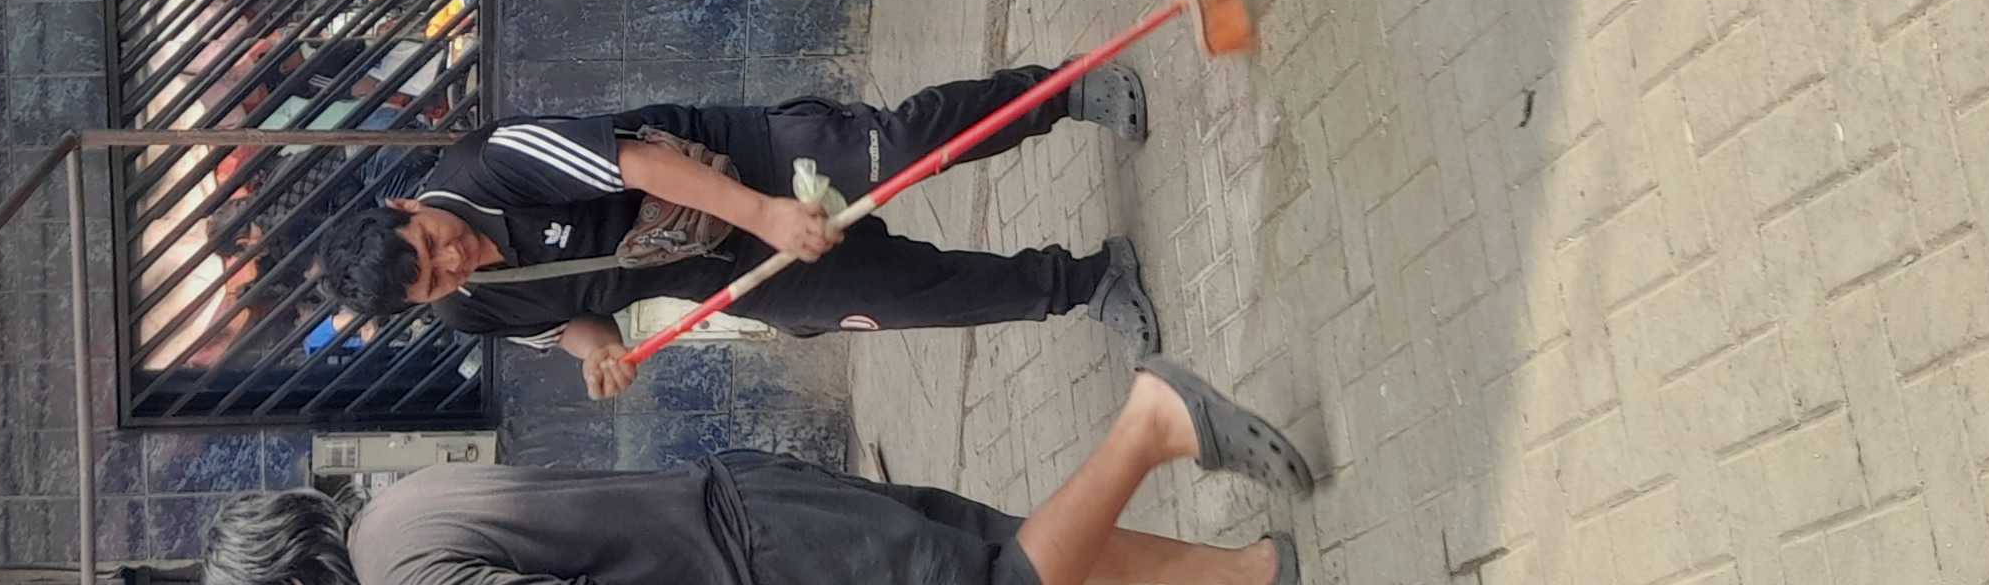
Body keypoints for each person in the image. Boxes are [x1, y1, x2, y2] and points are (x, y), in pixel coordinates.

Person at [310, 65, 1161, 397]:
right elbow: (569, 322)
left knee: (902, 147)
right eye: (434, 279)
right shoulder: (470, 309)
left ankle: (1062, 92)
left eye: (431, 244)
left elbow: (640, 163)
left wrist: (769, 211)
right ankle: (1088, 283)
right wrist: (599, 355)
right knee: (899, 300)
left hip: (739, 162)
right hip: (714, 264)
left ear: (407, 209)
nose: (452, 259)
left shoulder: (489, 163)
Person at [202, 357, 1314, 585]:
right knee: (999, 544)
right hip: (746, 498)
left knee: (1005, 584)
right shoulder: (396, 507)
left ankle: (1149, 423)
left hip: (761, 560)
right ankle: (1248, 574)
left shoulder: (402, 578)